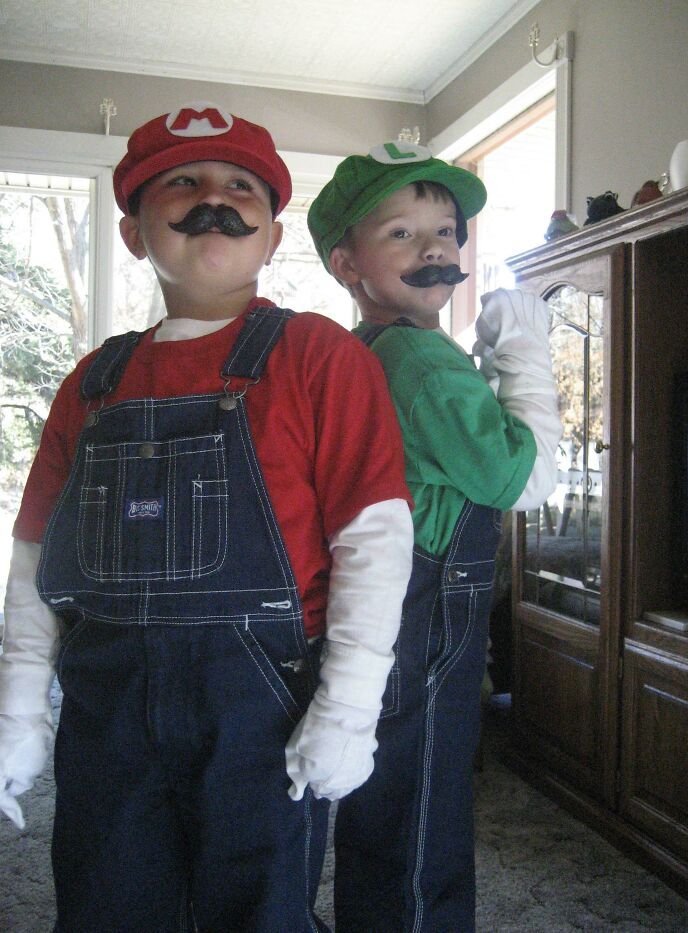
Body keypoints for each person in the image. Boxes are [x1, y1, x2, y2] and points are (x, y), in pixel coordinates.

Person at [0, 104, 414, 932]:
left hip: (261, 703)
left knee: (259, 906)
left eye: (239, 187)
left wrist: (348, 708)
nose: (213, 200)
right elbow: (37, 556)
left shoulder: (318, 356)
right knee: (105, 899)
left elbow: (374, 540)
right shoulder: (93, 380)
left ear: (271, 232)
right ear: (132, 231)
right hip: (105, 699)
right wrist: (17, 712)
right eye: (181, 182)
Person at [307, 139, 562, 932]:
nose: (436, 250)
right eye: (403, 234)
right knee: (423, 812)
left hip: (383, 608)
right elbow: (527, 479)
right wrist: (522, 345)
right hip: (427, 616)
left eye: (446, 231)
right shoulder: (423, 361)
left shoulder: (365, 353)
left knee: (381, 806)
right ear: (348, 263)